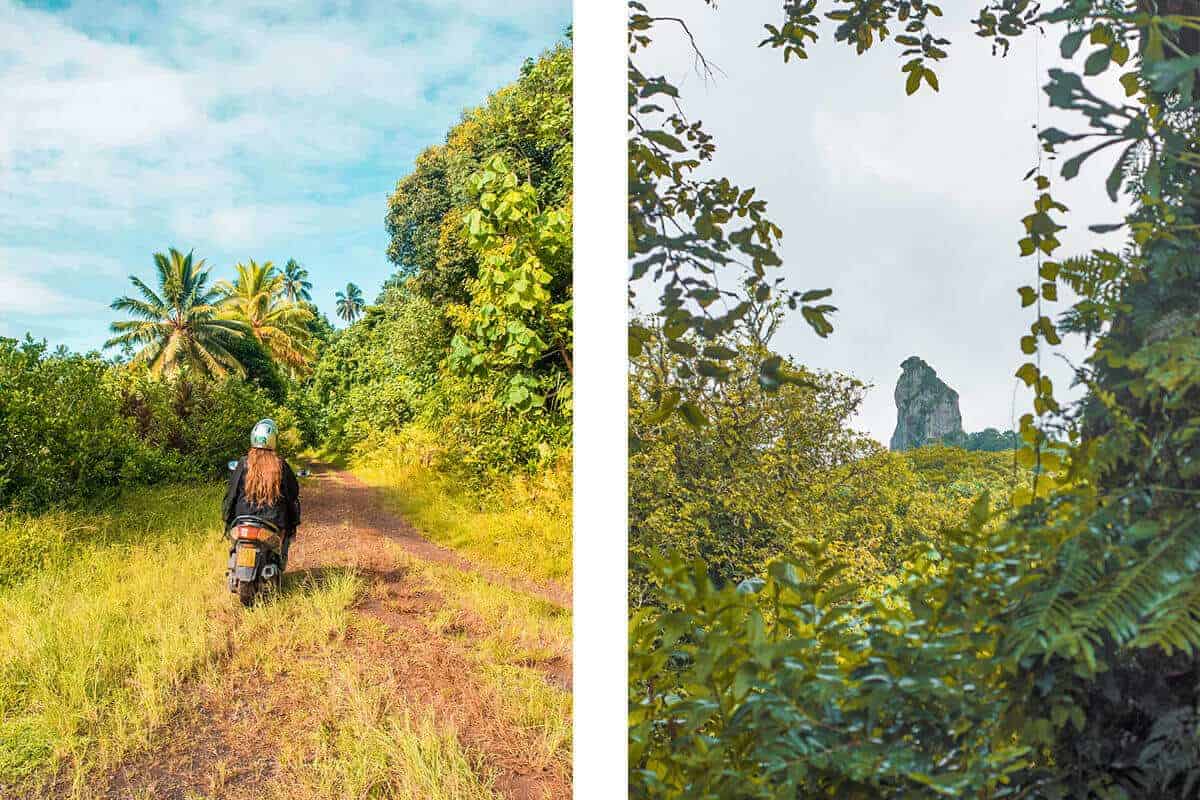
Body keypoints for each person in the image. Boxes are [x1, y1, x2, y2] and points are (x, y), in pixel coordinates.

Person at [222, 419, 301, 570]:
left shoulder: (244, 462)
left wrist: (228, 520)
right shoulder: (281, 465)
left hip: (243, 520)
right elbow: (292, 495)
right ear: (273, 440)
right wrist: (293, 524)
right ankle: (277, 562)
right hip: (273, 522)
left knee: (234, 545)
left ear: (253, 437)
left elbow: (231, 494)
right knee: (282, 540)